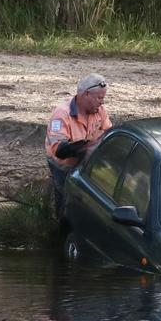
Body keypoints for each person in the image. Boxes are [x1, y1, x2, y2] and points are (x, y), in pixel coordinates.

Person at [45, 73, 113, 216]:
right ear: (87, 94)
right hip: (63, 166)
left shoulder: (100, 111)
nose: (102, 102)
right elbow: (60, 150)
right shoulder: (62, 114)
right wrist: (88, 146)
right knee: (66, 201)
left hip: (86, 162)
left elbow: (108, 133)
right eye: (100, 98)